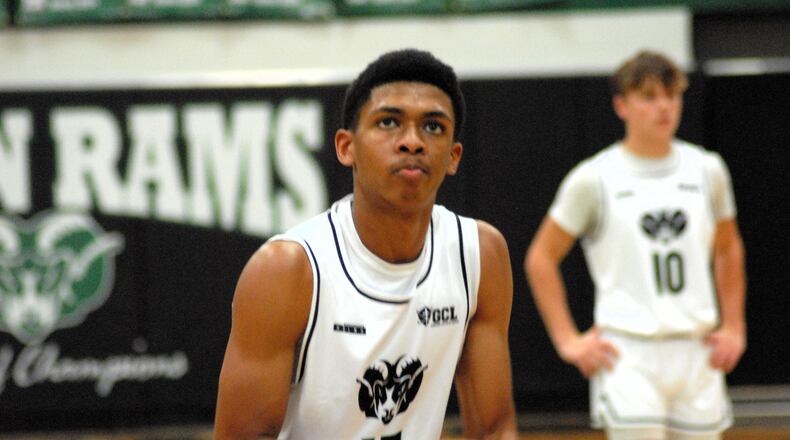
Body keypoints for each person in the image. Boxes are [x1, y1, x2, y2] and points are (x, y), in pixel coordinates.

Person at [214, 48, 518, 440]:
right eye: (389, 122)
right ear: (346, 147)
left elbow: (494, 428)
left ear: (454, 157)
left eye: (433, 127)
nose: (412, 141)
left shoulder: (479, 254)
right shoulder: (288, 269)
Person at [525, 50, 746, 440]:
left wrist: (734, 325)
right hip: (629, 352)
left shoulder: (707, 169)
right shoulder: (594, 178)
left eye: (671, 95)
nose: (663, 107)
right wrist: (568, 341)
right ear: (621, 105)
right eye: (649, 97)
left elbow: (728, 248)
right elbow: (541, 257)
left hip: (697, 348)